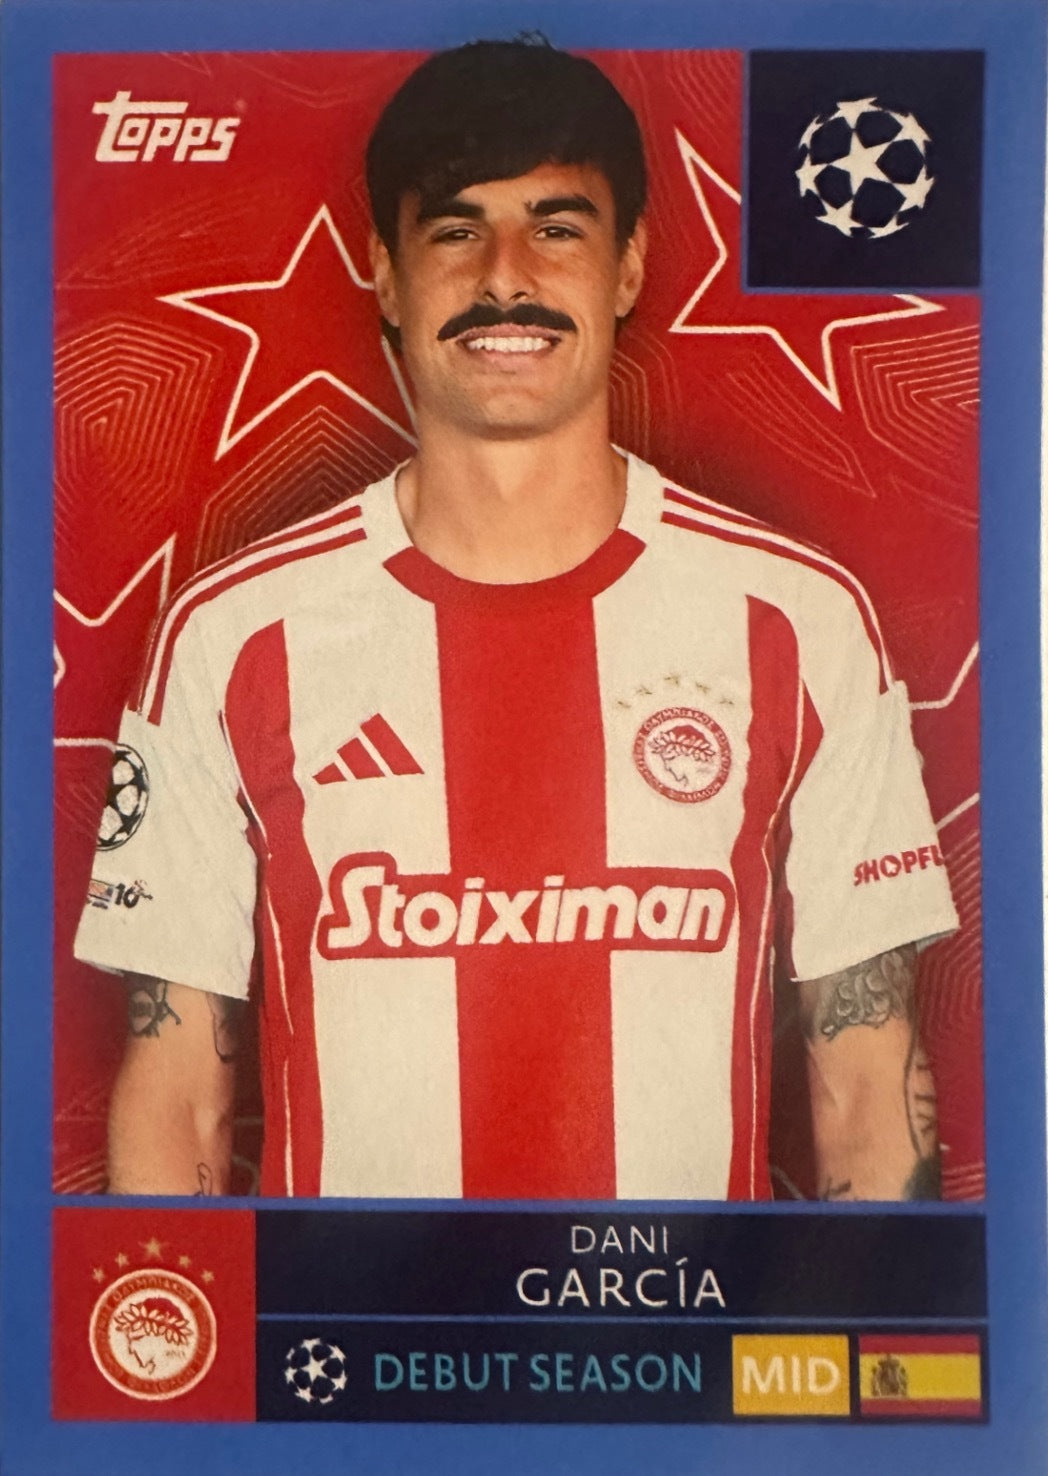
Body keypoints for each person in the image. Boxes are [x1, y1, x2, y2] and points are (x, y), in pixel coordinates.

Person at [75, 37, 958, 1202]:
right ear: (385, 274)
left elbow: (864, 1082)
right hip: (348, 1320)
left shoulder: (799, 619)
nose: (505, 277)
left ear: (627, 268)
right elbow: (180, 1087)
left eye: (556, 227)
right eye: (455, 230)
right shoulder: (233, 633)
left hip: (674, 1320)